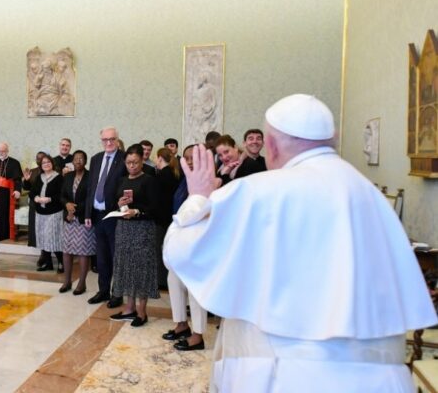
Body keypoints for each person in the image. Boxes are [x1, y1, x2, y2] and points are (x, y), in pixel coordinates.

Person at [164, 94, 437, 392]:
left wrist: (199, 197)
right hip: (376, 376)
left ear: (272, 144)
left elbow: (179, 249)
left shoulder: (261, 189)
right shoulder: (369, 194)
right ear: (333, 138)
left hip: (283, 371)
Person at [108, 144, 161, 327]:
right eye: (129, 162)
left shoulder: (149, 180)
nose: (132, 166)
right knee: (126, 267)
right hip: (123, 229)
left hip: (142, 229)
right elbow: (117, 204)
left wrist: (137, 211)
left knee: (141, 268)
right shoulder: (122, 180)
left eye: (136, 162)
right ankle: (129, 308)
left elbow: (155, 208)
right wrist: (120, 204)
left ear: (142, 161)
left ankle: (142, 312)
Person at [162, 145, 207, 351]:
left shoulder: (209, 184)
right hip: (178, 249)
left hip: (196, 248)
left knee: (194, 292)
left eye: (194, 158)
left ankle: (198, 335)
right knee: (174, 284)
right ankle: (181, 324)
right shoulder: (183, 182)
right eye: (187, 158)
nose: (189, 161)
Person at [84, 126, 127, 308]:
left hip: (115, 215)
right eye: (105, 140)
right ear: (101, 140)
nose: (108, 143)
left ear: (117, 140)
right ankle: (103, 291)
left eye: (112, 139)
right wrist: (87, 213)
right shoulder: (95, 159)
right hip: (97, 215)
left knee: (116, 256)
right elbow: (91, 188)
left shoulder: (124, 159)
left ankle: (117, 294)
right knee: (101, 257)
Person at [60, 150, 94, 294]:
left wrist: (75, 209)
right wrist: (67, 205)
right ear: (72, 161)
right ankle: (67, 281)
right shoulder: (67, 176)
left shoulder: (91, 176)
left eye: (81, 159)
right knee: (67, 250)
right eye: (76, 159)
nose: (78, 161)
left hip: (82, 218)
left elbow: (90, 198)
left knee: (83, 251)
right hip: (69, 219)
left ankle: (82, 283)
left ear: (85, 161)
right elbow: (62, 195)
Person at [30, 155, 64, 274]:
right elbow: (32, 192)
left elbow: (61, 195)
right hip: (40, 213)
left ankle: (61, 262)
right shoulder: (39, 177)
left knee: (54, 238)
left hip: (54, 213)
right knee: (43, 239)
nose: (46, 164)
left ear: (52, 163)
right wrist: (36, 198)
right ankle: (48, 263)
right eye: (44, 163)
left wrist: (49, 199)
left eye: (48, 162)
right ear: (41, 165)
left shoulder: (59, 178)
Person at [153, 147, 179, 290]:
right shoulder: (174, 173)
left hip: (161, 219)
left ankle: (161, 281)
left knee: (159, 250)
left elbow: (157, 199)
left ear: (160, 158)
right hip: (170, 217)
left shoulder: (162, 175)